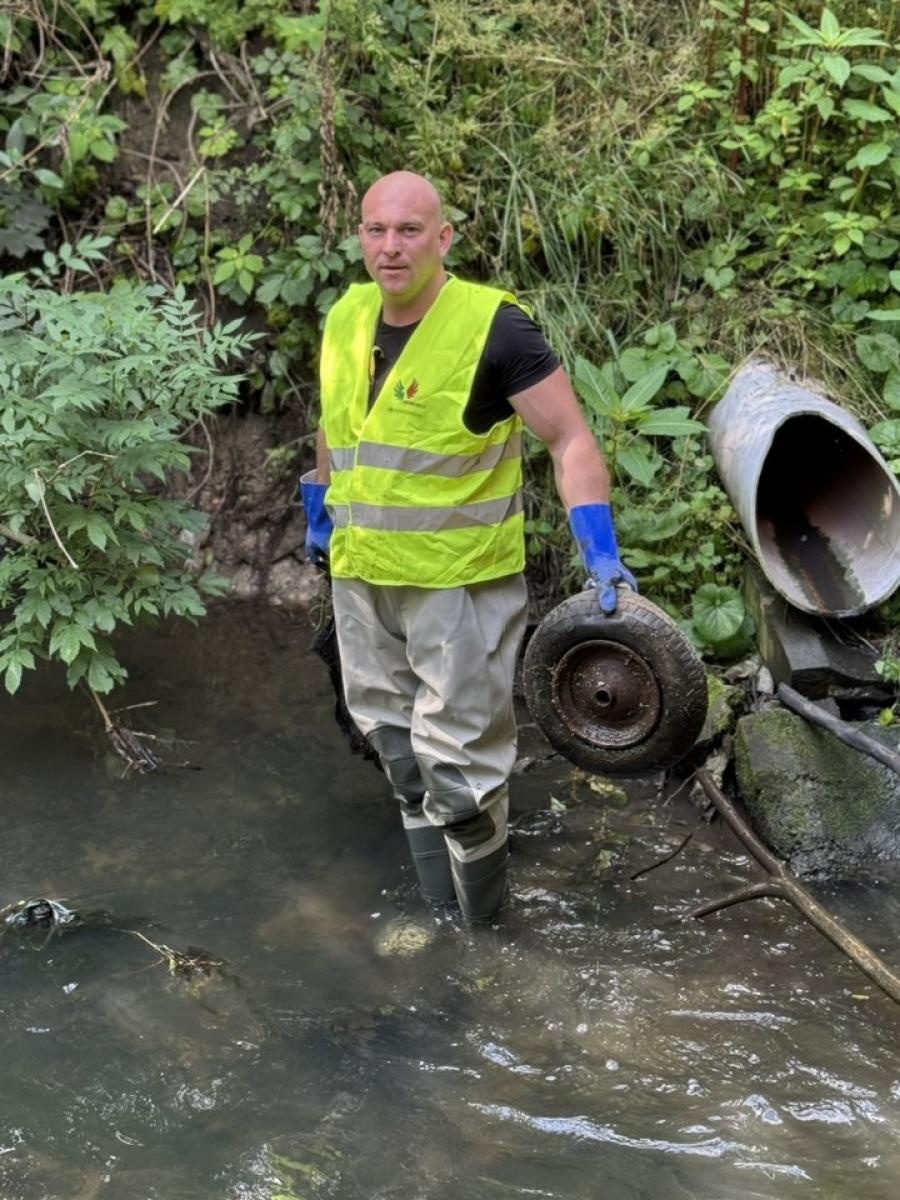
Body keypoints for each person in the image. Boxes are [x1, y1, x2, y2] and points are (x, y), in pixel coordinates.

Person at [300, 170, 635, 923]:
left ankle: (488, 943)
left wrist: (598, 545)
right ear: (360, 236)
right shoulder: (347, 316)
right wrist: (320, 510)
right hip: (361, 579)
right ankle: (438, 921)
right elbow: (338, 423)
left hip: (459, 589)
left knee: (457, 778)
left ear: (443, 238)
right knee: (397, 754)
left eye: (410, 231)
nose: (391, 247)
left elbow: (569, 435)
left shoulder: (494, 327)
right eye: (376, 231)